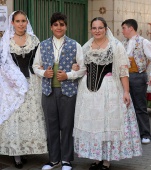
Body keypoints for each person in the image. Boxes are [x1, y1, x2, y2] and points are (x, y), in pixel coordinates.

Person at [72, 17, 142, 170]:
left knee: (107, 122)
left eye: (100, 28)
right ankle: (97, 158)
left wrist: (126, 91)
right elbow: (83, 68)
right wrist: (76, 67)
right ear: (91, 29)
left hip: (109, 88)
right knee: (94, 124)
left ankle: (106, 161)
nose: (97, 31)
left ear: (105, 28)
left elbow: (123, 70)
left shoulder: (115, 46)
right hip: (88, 92)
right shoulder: (86, 46)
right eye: (94, 28)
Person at [33, 12, 86, 170]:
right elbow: (35, 66)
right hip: (48, 91)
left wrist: (69, 75)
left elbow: (82, 69)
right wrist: (44, 73)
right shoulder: (43, 45)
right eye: (55, 24)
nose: (59, 27)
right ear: (51, 27)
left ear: (66, 26)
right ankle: (54, 159)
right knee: (51, 126)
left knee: (67, 126)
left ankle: (66, 160)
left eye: (61, 24)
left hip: (68, 92)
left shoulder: (75, 45)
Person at [0, 11, 47, 169]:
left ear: (27, 22)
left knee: (31, 116)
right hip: (14, 86)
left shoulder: (34, 40)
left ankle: (27, 148)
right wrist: (13, 80)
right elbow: (3, 65)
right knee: (15, 117)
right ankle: (16, 154)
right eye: (18, 21)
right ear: (12, 23)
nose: (21, 24)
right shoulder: (6, 42)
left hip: (33, 84)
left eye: (23, 21)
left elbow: (40, 61)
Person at [121, 19, 151, 144]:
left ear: (130, 28)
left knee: (140, 106)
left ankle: (145, 133)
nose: (122, 31)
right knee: (126, 106)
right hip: (125, 77)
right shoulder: (123, 43)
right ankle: (131, 133)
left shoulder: (144, 42)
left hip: (138, 76)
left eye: (124, 28)